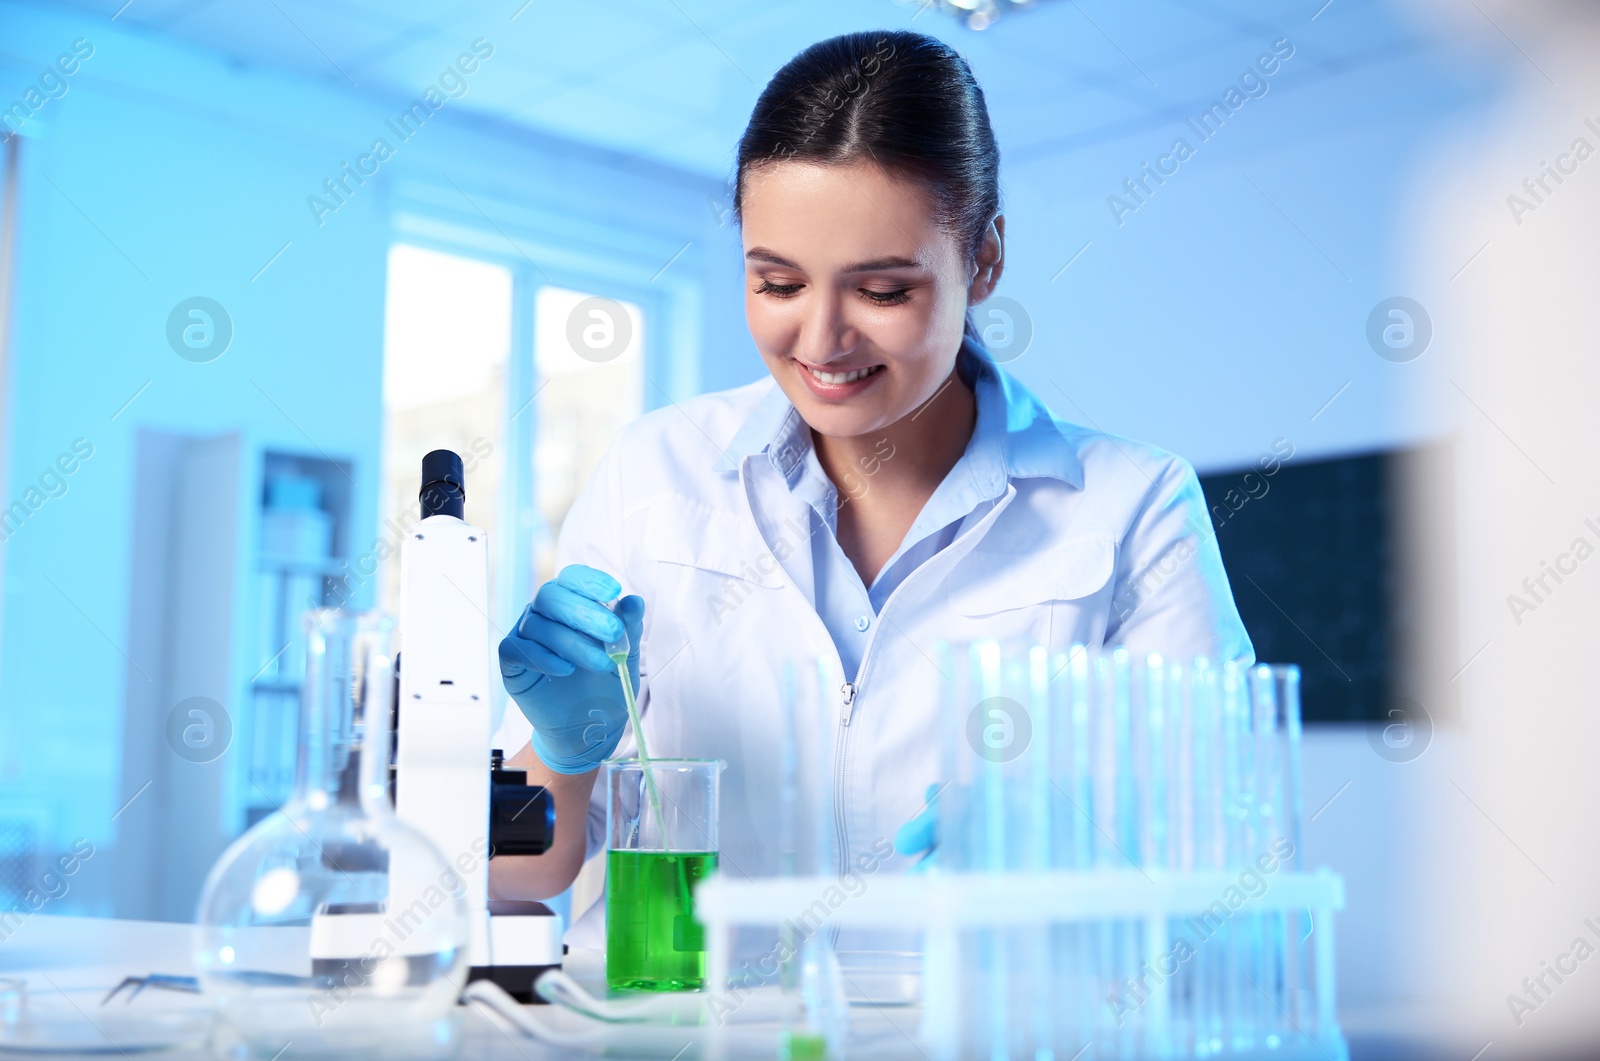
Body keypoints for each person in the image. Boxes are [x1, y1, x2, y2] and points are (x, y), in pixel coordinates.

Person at [489, 30, 1251, 943]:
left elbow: (1222, 874)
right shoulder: (655, 473)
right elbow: (511, 880)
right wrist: (566, 758)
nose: (821, 340)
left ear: (987, 258)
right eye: (776, 282)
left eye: (883, 291)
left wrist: (1067, 851)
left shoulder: (1129, 507)